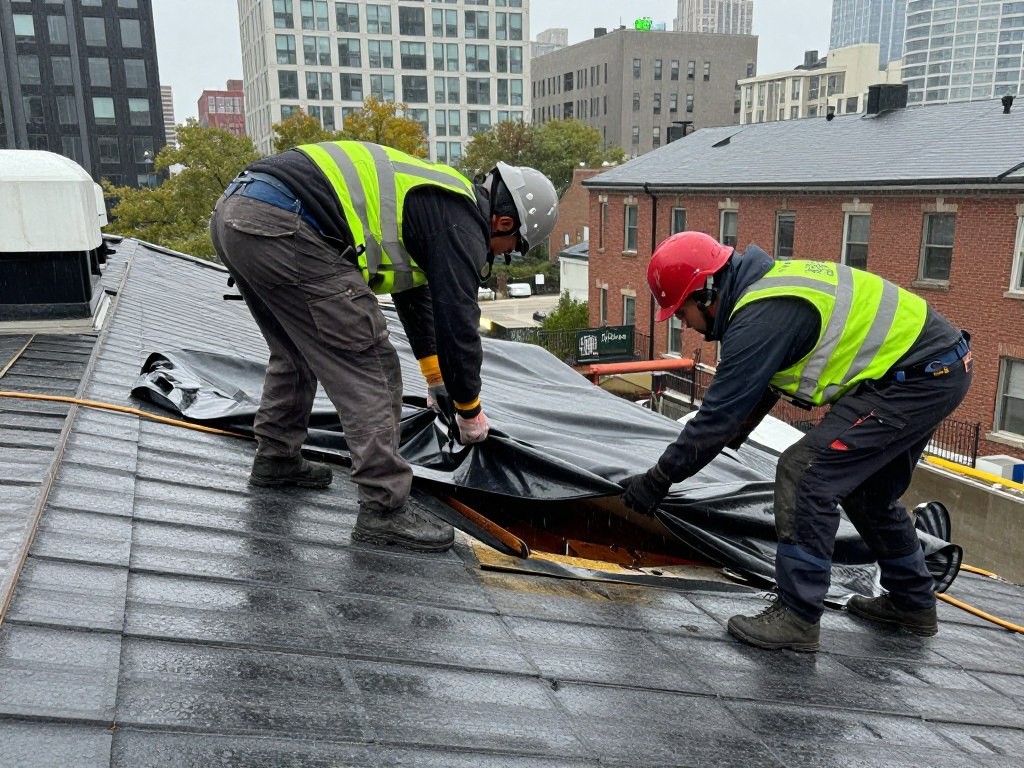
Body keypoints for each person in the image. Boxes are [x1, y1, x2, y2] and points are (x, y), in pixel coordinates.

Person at [621, 231, 971, 651]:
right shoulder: (765, 290)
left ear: (707, 292)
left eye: (682, 312)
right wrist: (728, 436)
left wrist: (658, 480)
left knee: (805, 473)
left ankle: (798, 616)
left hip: (914, 381)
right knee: (869, 494)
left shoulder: (759, 317)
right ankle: (913, 604)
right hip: (937, 370)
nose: (684, 325)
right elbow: (754, 393)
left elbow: (717, 417)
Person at [210, 140, 558, 553]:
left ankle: (276, 458)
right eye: (512, 250)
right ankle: (385, 508)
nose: (501, 257)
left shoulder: (439, 202)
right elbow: (457, 324)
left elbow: (417, 298)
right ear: (503, 223)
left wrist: (436, 381)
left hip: (237, 216)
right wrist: (469, 411)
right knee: (373, 365)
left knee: (296, 351)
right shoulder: (462, 222)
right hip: (288, 227)